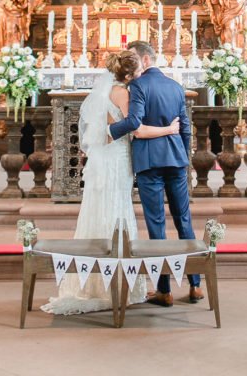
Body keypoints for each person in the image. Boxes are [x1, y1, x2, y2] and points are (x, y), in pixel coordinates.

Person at [42, 50, 180, 315]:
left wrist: (106, 134)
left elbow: (107, 127)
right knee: (116, 209)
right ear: (128, 74)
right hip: (116, 158)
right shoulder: (123, 93)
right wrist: (168, 130)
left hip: (104, 157)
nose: (142, 75)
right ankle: (113, 283)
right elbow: (135, 125)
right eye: (139, 71)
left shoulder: (107, 90)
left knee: (99, 208)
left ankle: (93, 281)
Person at [109, 40, 203, 307]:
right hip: (176, 160)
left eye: (134, 61)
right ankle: (196, 285)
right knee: (184, 220)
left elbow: (135, 122)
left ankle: (164, 290)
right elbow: (185, 128)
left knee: (156, 225)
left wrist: (108, 133)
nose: (133, 67)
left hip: (150, 161)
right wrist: (184, 157)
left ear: (145, 60)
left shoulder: (138, 86)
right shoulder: (175, 86)